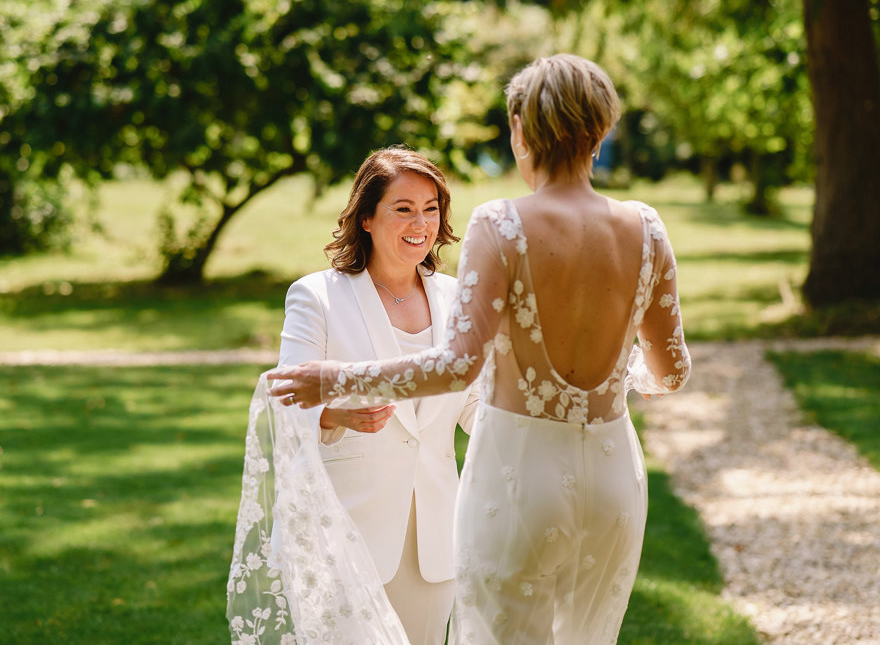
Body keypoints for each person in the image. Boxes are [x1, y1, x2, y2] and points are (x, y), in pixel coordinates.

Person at [269, 54, 691, 644]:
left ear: (521, 128)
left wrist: (335, 380)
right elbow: (671, 373)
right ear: (600, 131)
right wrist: (604, 381)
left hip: (522, 475)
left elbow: (457, 365)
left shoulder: (502, 223)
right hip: (616, 479)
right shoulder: (646, 226)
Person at [229, 146, 478, 645]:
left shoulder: (459, 299)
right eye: (403, 208)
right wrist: (334, 414)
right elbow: (285, 398)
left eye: (431, 209)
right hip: (343, 532)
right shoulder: (317, 296)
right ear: (366, 217)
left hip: (436, 540)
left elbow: (474, 408)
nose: (420, 223)